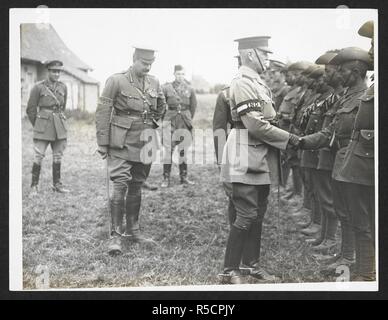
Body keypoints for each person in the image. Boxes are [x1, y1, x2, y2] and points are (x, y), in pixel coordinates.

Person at [219, 36, 300, 284]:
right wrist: (291, 139)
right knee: (245, 213)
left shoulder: (257, 83)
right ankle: (229, 270)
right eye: (264, 54)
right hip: (244, 153)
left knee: (257, 214)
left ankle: (251, 265)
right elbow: (254, 124)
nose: (267, 59)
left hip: (259, 156)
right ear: (251, 54)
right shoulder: (243, 83)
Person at [299, 47, 372, 275]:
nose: (338, 76)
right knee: (344, 211)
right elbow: (329, 130)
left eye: (343, 71)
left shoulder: (364, 97)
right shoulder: (347, 97)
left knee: (358, 218)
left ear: (357, 71)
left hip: (355, 164)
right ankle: (349, 258)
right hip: (342, 161)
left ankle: (359, 265)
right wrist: (298, 141)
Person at [95, 47, 166, 255]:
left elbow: (162, 105)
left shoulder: (154, 81)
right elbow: (103, 112)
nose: (148, 67)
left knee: (137, 184)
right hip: (121, 141)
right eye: (144, 63)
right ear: (134, 60)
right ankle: (115, 236)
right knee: (119, 184)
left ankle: (133, 230)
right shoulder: (116, 80)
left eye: (151, 63)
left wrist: (153, 121)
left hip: (145, 141)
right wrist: (102, 142)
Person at [339, 21, 375, 281]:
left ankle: (366, 273)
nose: (371, 50)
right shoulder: (375, 85)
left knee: (367, 224)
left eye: (375, 42)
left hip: (368, 164)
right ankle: (365, 271)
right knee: (363, 223)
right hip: (361, 164)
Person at [26, 60, 70, 194]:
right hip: (43, 125)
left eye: (58, 71)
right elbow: (30, 109)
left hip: (59, 126)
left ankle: (57, 185)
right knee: (38, 156)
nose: (56, 74)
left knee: (58, 156)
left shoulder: (63, 87)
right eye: (54, 71)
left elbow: (63, 107)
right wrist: (38, 124)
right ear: (48, 71)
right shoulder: (38, 87)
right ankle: (34, 186)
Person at [213, 55, 241, 225]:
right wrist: (221, 160)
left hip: (261, 150)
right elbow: (219, 128)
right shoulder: (227, 93)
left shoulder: (265, 90)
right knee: (236, 194)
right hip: (238, 147)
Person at [161, 65, 197, 187]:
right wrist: (164, 119)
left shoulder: (190, 89)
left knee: (183, 151)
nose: (180, 76)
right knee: (168, 150)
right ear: (174, 74)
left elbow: (193, 107)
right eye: (178, 74)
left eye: (182, 74)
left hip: (184, 122)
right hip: (170, 121)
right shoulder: (166, 88)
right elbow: (161, 105)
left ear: (184, 75)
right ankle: (166, 178)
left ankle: (184, 177)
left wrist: (187, 118)